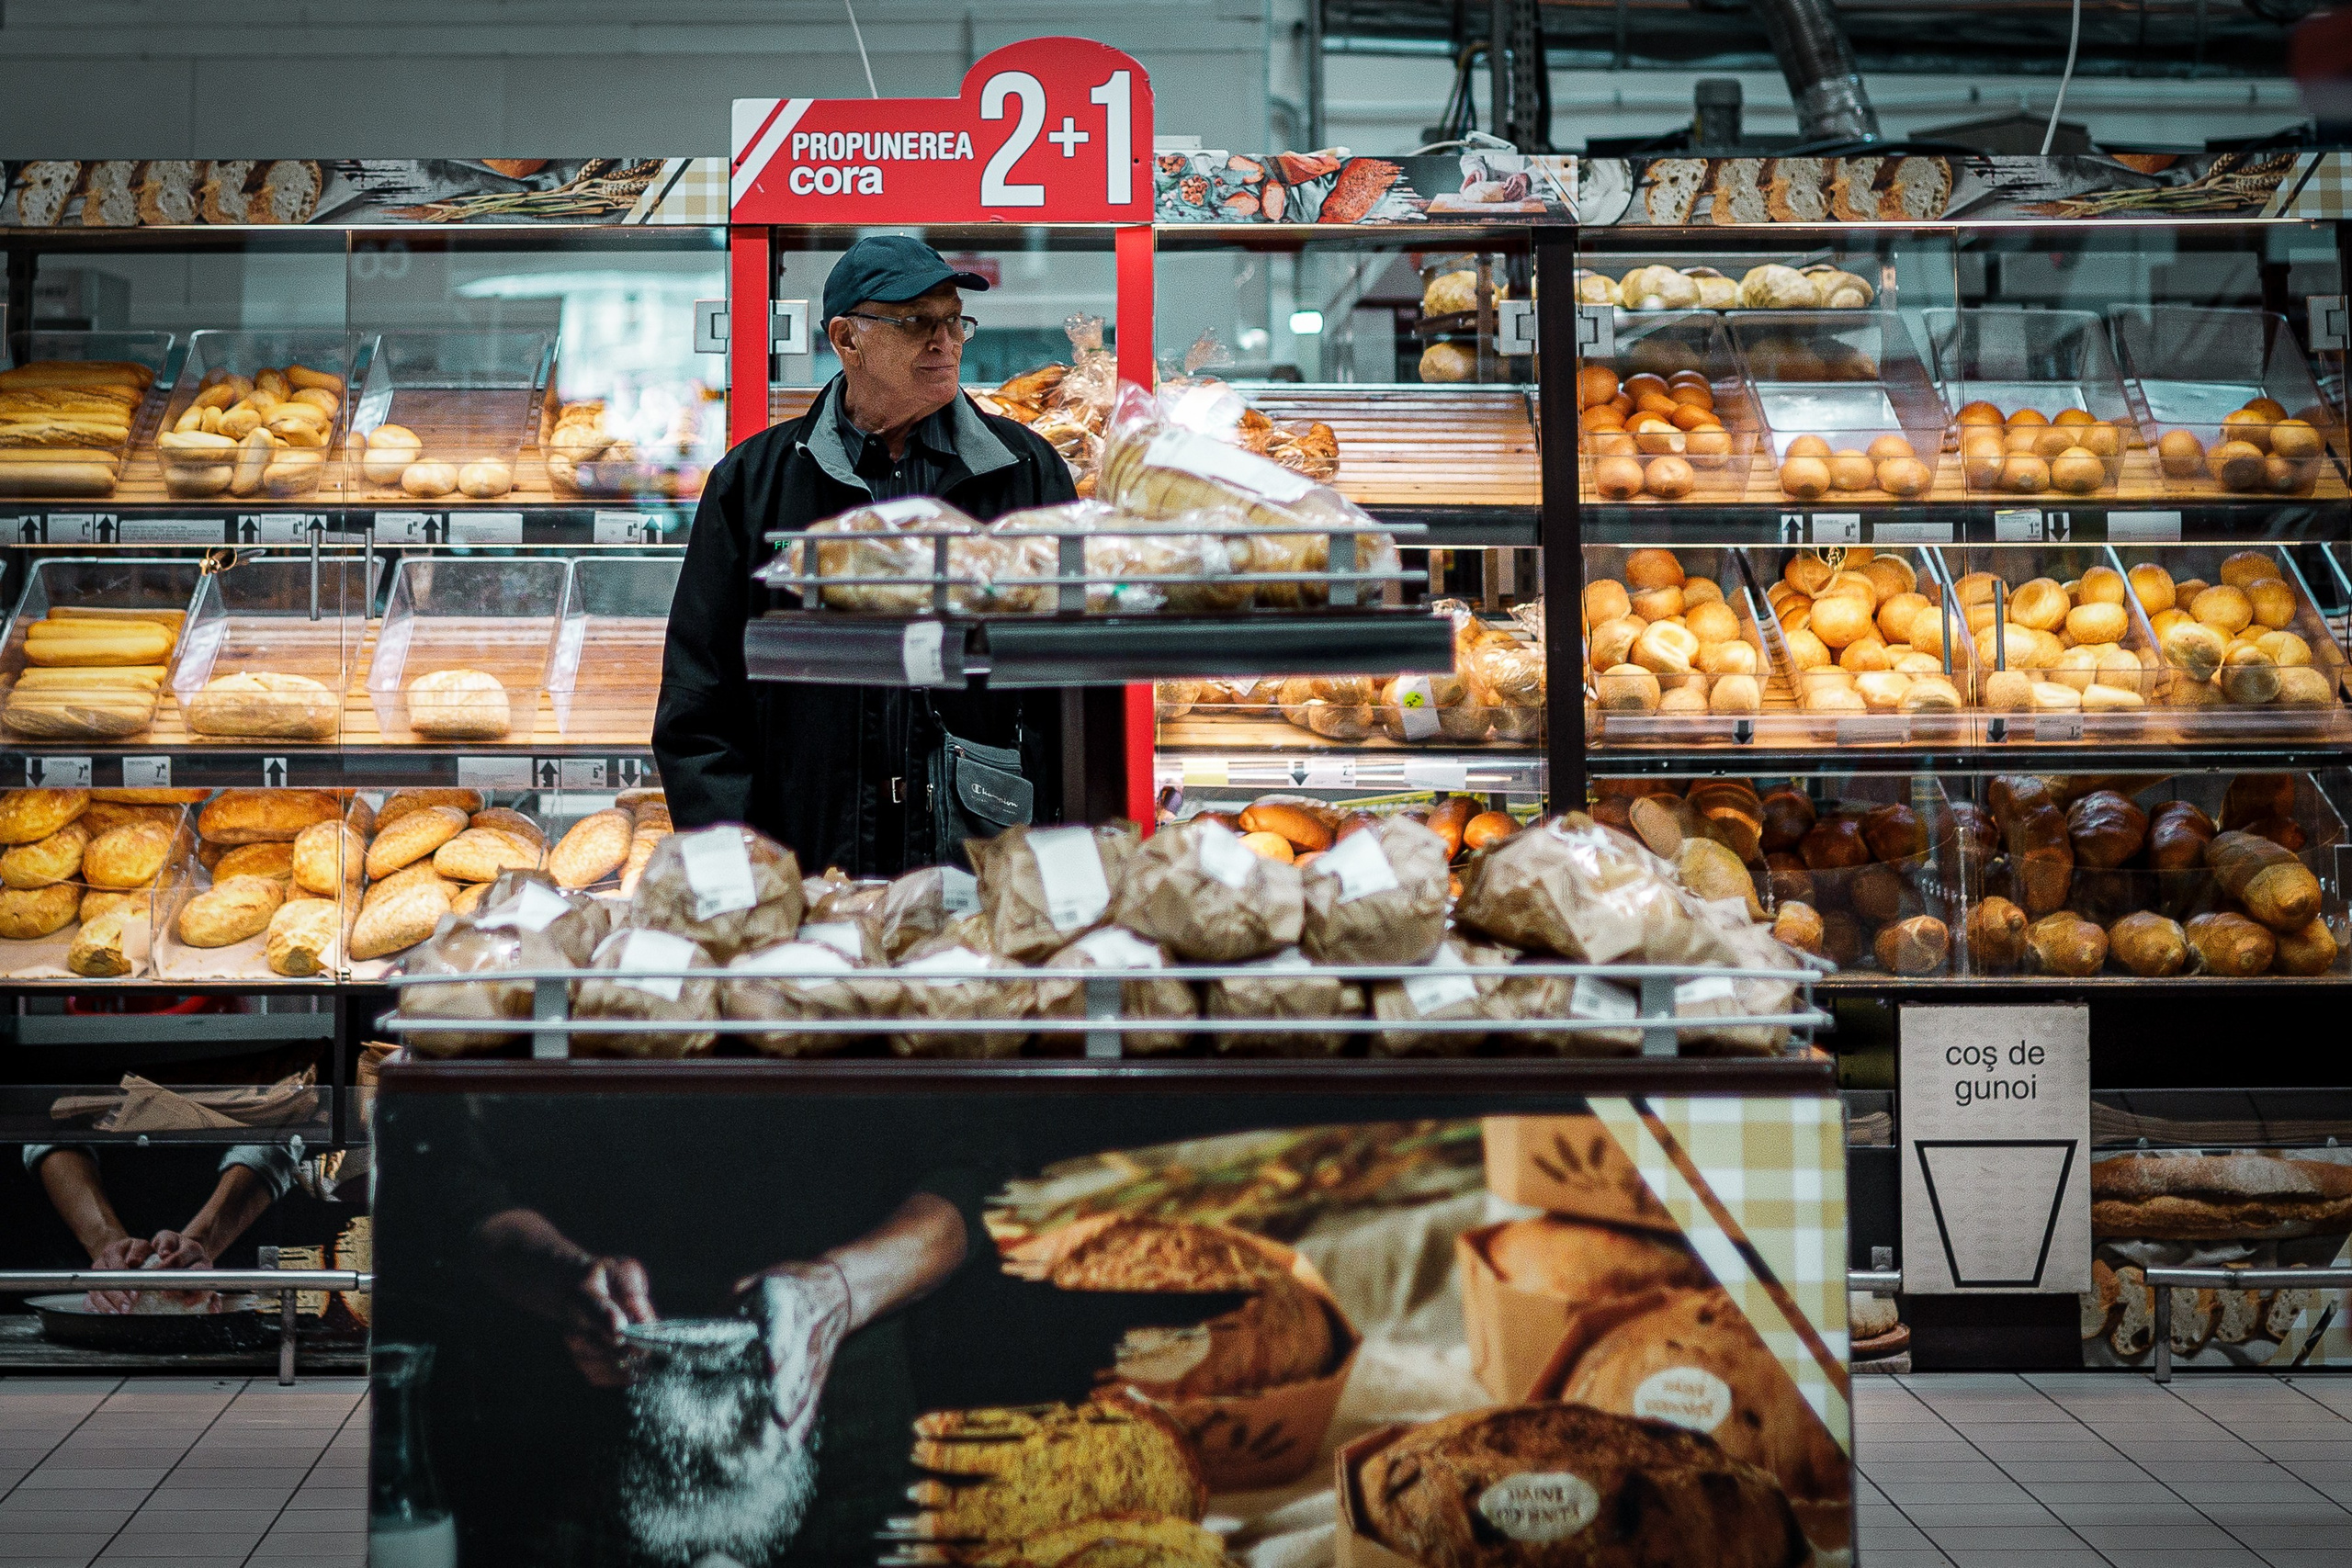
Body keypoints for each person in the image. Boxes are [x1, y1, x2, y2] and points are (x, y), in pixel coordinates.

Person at [655, 234, 1079, 875]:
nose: (945, 342)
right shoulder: (752, 484)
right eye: (916, 323)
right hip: (806, 862)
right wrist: (737, 876)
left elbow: (1071, 695)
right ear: (847, 339)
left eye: (953, 321)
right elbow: (700, 706)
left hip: (980, 864)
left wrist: (1057, 859)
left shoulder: (1025, 472)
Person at [26, 1143, 294, 1312]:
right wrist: (110, 1251)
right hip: (79, 1225)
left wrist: (199, 1246)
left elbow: (283, 1123)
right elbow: (47, 1120)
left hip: (237, 1227)